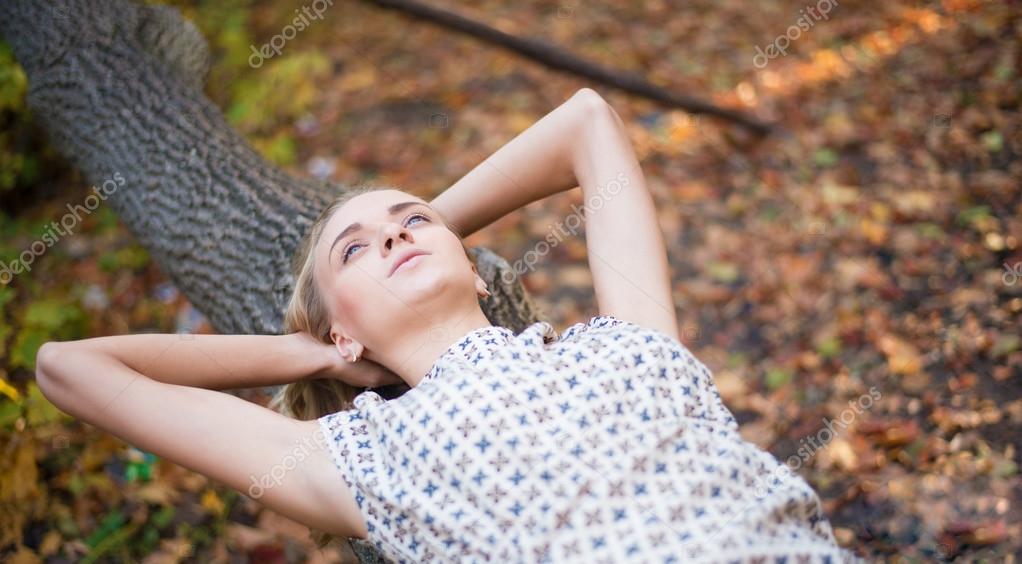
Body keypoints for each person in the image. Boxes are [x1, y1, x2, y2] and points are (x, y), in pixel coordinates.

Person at [36, 88, 854, 562]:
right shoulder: (363, 461)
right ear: (341, 332)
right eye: (354, 251)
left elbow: (586, 123)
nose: (393, 235)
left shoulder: (629, 340)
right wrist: (308, 350)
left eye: (408, 221)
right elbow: (69, 368)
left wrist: (428, 231)